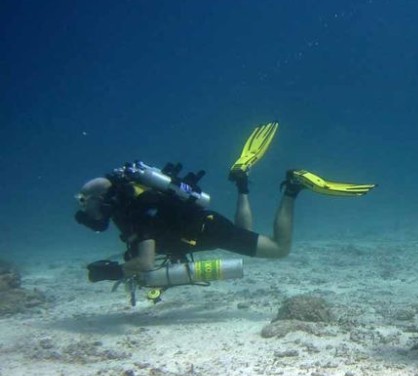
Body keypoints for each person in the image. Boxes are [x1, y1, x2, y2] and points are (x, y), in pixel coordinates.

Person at [76, 122, 374, 286]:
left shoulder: (137, 212)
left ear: (103, 200)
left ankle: (293, 187)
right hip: (208, 226)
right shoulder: (136, 199)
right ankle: (242, 182)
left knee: (279, 249)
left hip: (210, 231)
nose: (86, 211)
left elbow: (145, 262)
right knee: (244, 230)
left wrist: (112, 272)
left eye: (85, 203)